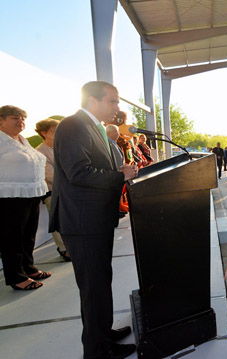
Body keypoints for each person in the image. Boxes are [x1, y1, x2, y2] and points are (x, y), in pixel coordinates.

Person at [49, 81, 138, 359]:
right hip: (82, 222)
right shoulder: (73, 125)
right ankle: (97, 350)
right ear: (92, 100)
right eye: (112, 101)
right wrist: (120, 175)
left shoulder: (93, 126)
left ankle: (102, 331)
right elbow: (79, 173)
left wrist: (121, 170)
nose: (117, 107)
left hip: (95, 220)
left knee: (100, 282)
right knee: (93, 287)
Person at [0, 105, 50, 290]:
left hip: (32, 192)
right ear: (1, 121)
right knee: (12, 238)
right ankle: (16, 277)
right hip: (10, 195)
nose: (21, 122)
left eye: (22, 118)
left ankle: (28, 268)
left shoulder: (22, 140)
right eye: (15, 118)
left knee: (28, 235)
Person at [35, 118, 70, 262]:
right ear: (43, 133)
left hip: (68, 190)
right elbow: (50, 177)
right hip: (53, 193)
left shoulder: (61, 146)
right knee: (58, 222)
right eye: (53, 131)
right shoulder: (40, 152)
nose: (57, 133)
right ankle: (64, 249)